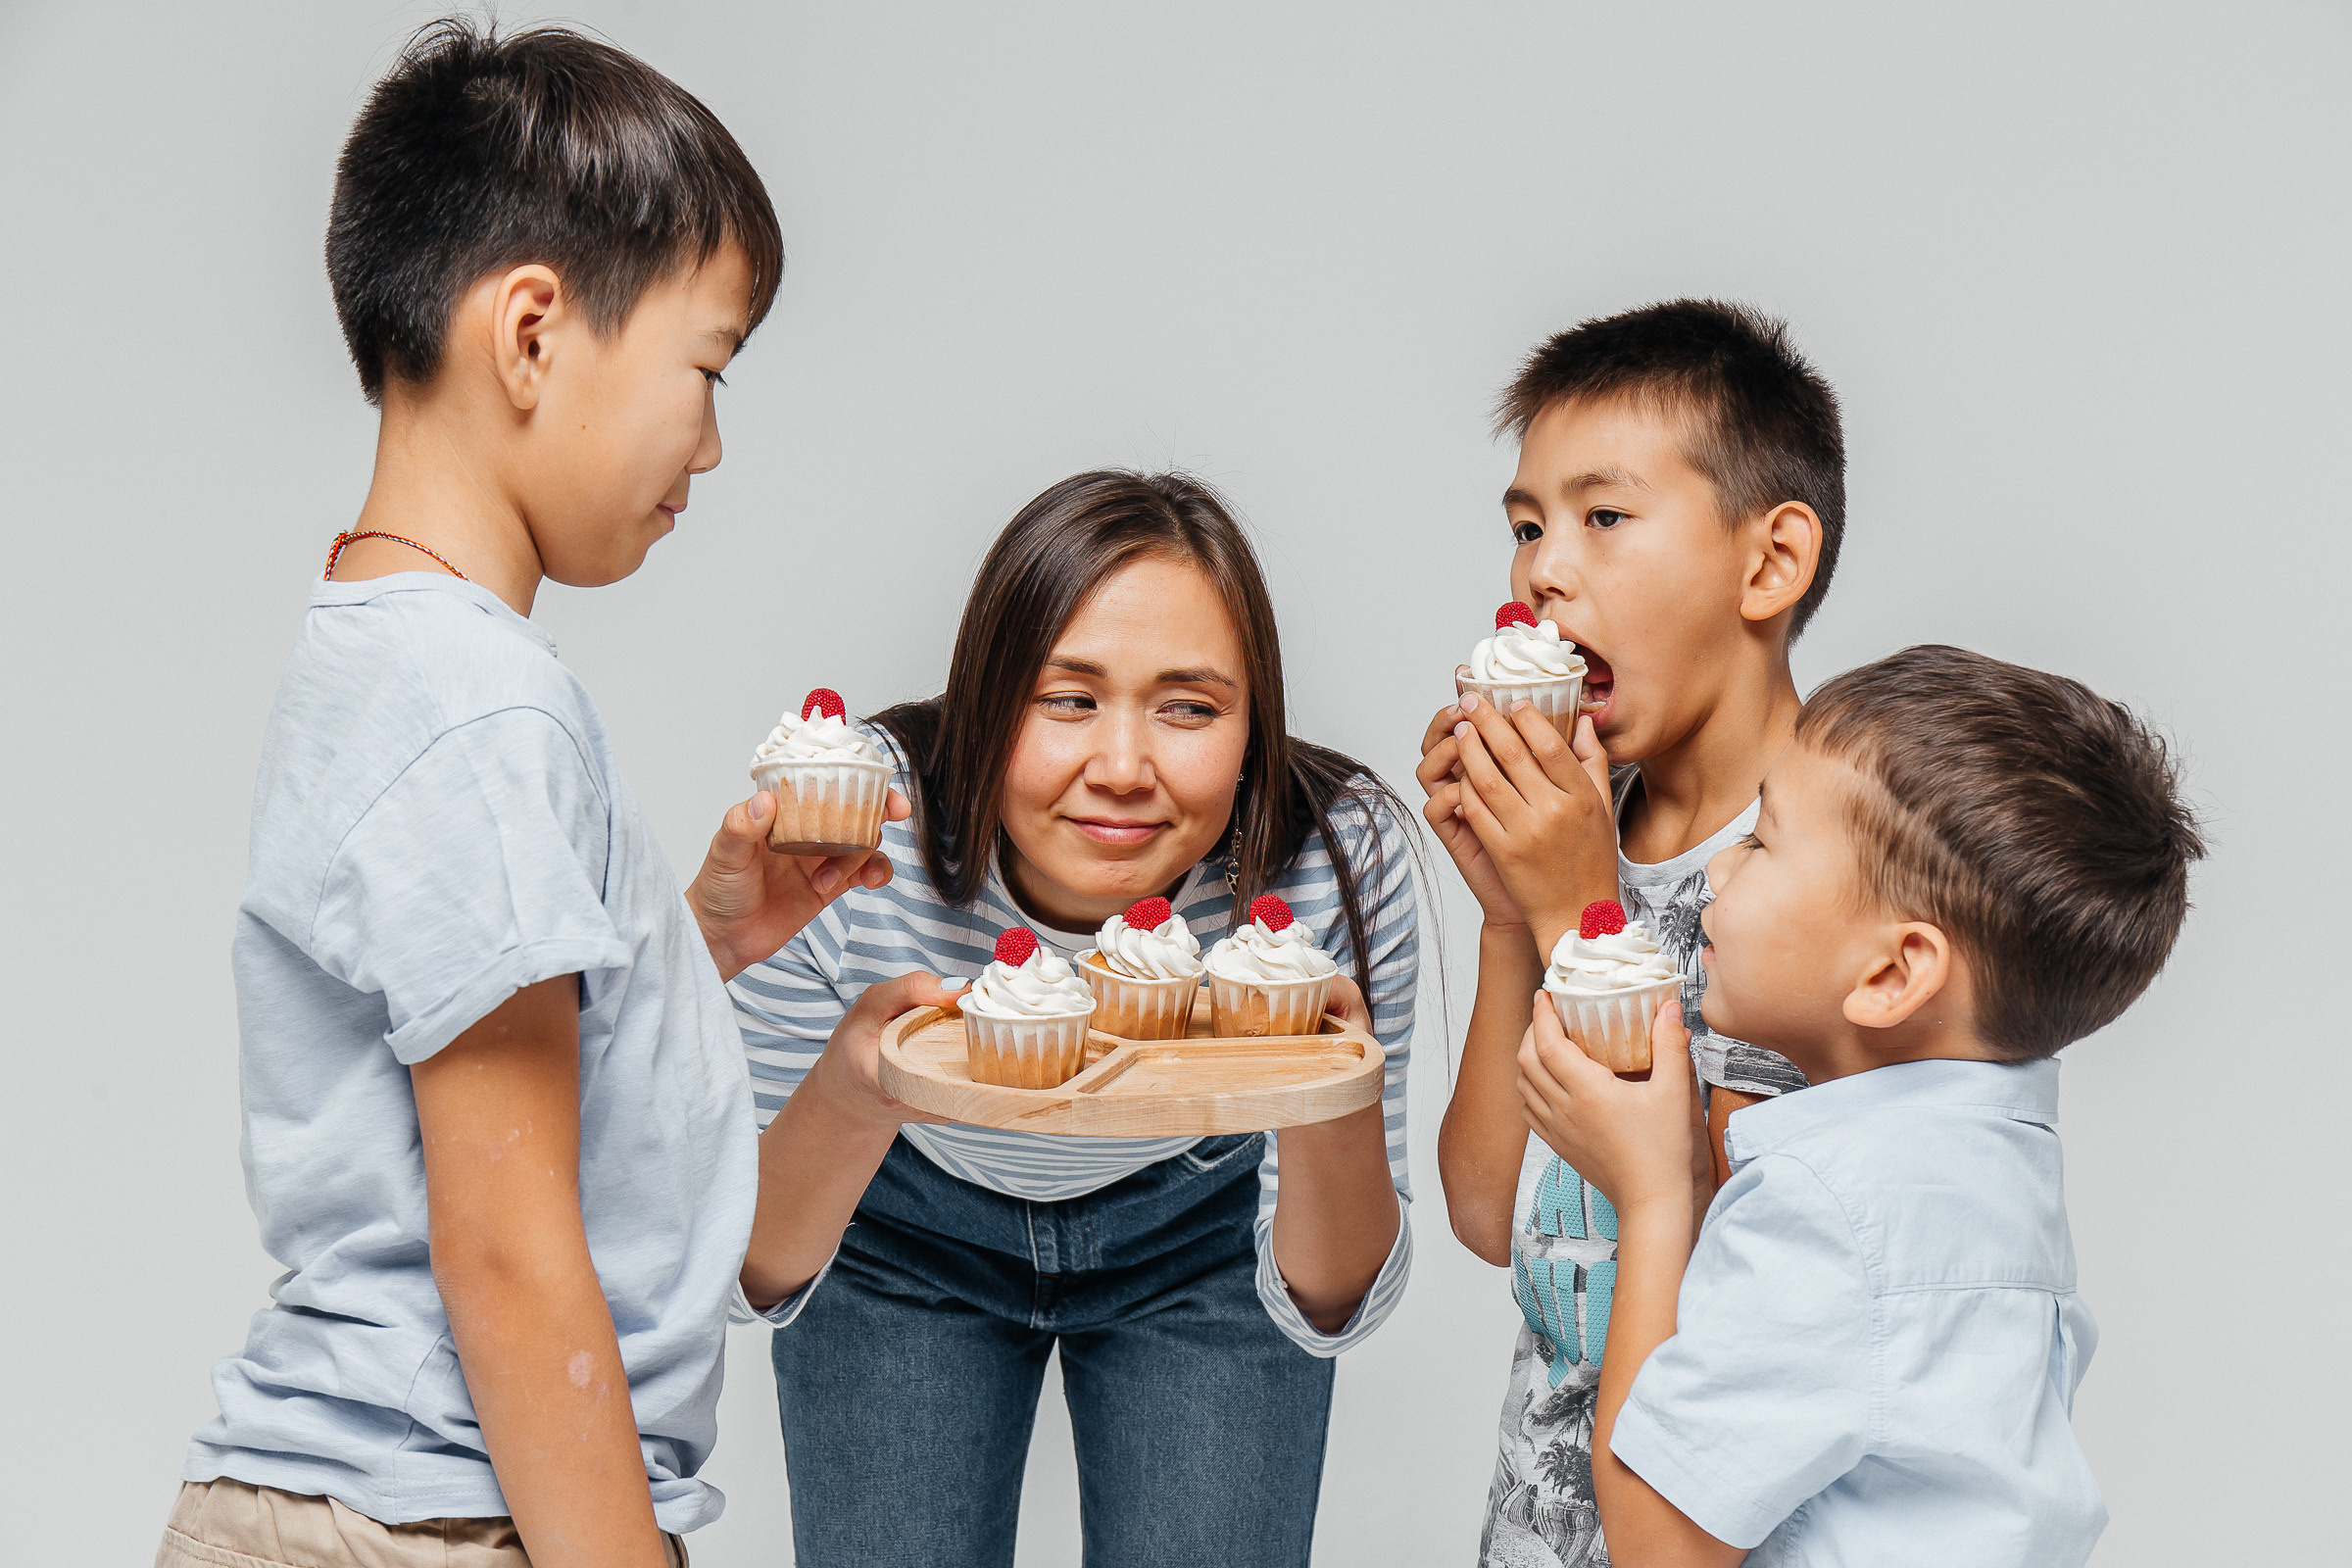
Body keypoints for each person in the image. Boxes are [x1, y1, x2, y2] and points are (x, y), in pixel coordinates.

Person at [159, 22, 908, 1568]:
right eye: (706, 368)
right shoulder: (480, 703)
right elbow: (506, 1248)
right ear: (530, 335)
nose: (712, 443)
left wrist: (696, 939)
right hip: (429, 1519)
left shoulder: (385, 649)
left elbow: (478, 1068)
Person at [729, 469, 1419, 1568]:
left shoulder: (1329, 855)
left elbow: (1335, 1302)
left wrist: (1329, 1093)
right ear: (983, 698)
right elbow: (748, 1270)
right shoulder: (855, 833)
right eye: (1067, 699)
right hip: (895, 1221)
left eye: (1189, 708)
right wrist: (858, 1094)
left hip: (1206, 1232)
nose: (1124, 769)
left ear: (1255, 727)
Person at [1516, 644, 2201, 1565]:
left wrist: (1652, 1196)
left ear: (1890, 975)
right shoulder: (2005, 1166)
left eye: (1761, 843)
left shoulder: (1825, 1206)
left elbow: (1661, 1547)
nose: (1718, 873)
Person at [1415, 300, 1847, 1567]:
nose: (1543, 571)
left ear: (1770, 563)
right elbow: (1491, 1213)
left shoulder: (1832, 873)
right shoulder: (1588, 827)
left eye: (1604, 517)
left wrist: (1574, 912)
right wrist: (1512, 917)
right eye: (1527, 526)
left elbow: (1748, 1272)